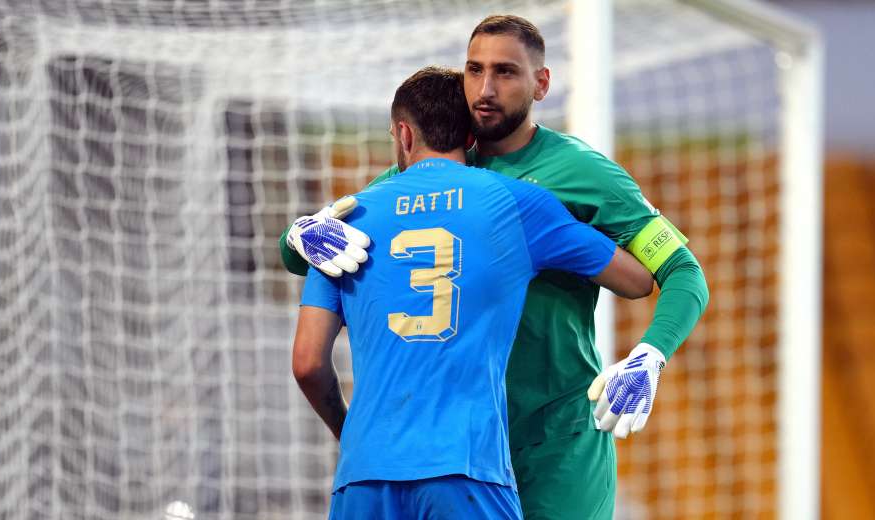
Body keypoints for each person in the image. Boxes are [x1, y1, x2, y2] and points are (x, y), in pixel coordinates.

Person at [284, 15, 710, 519]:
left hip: (554, 441)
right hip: (462, 446)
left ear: (541, 83)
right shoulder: (430, 168)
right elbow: (323, 244)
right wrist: (298, 235)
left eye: (506, 72)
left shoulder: (584, 174)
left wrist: (649, 356)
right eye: (473, 69)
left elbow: (682, 272)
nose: (485, 89)